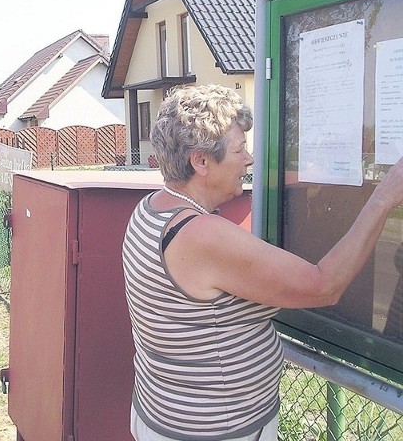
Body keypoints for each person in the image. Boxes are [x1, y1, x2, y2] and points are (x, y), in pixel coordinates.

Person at [122, 84, 403, 441]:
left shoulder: (150, 209)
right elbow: (324, 285)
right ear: (202, 161)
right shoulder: (201, 235)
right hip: (214, 429)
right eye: (239, 150)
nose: (250, 160)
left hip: (161, 412)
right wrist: (384, 198)